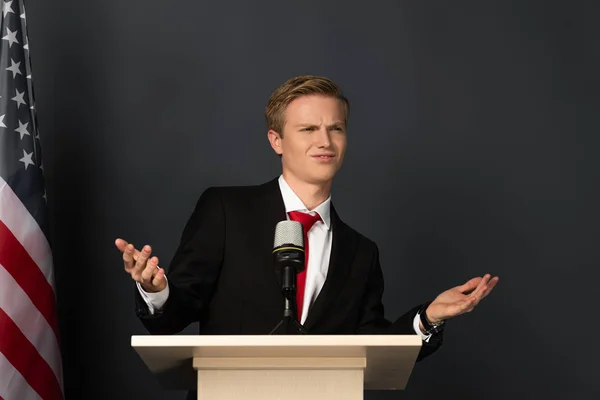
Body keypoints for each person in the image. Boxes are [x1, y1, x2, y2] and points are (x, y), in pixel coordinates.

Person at [115, 74, 498, 375]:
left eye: (336, 128)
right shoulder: (225, 210)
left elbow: (375, 349)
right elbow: (172, 319)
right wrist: (156, 290)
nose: (325, 141)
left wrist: (428, 317)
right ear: (276, 140)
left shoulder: (360, 252)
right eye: (308, 129)